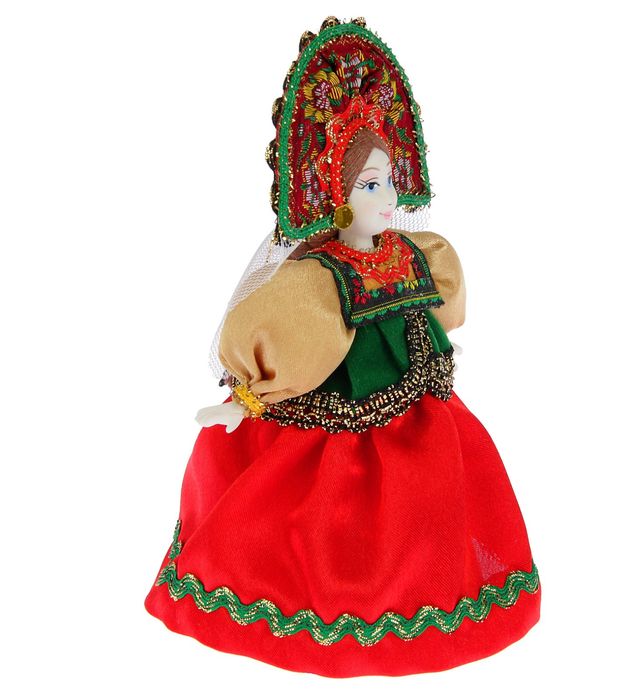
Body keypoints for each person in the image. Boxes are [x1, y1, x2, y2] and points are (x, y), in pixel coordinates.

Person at [144, 18, 540, 678]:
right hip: (333, 426)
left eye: (389, 180)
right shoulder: (316, 283)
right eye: (369, 185)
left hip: (421, 424)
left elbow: (445, 313)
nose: (388, 197)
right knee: (330, 517)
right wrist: (245, 400)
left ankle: (425, 598)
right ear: (337, 197)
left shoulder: (416, 256)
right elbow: (290, 344)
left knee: (427, 512)